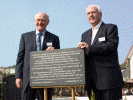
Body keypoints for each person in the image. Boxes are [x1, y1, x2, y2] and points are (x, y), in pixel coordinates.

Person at [77, 5, 124, 100]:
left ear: (100, 14)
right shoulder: (85, 34)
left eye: (93, 12)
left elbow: (111, 46)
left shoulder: (110, 28)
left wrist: (89, 47)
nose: (91, 15)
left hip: (109, 81)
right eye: (88, 13)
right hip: (92, 82)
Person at [15, 12, 60, 100]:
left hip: (46, 78)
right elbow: (20, 57)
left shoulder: (54, 38)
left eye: (43, 20)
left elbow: (58, 59)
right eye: (38, 20)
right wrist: (18, 76)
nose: (40, 22)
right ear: (34, 21)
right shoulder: (25, 37)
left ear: (48, 22)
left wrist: (54, 53)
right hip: (28, 78)